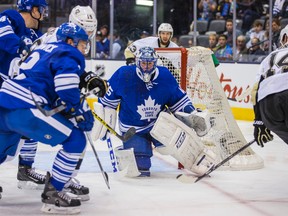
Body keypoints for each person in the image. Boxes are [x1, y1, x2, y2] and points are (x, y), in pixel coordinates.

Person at [0, 22, 106, 213]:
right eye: (82, 43)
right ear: (70, 41)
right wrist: (78, 112)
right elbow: (65, 89)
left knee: (2, 153)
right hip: (26, 107)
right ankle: (53, 194)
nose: (84, 48)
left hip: (4, 102)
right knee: (75, 140)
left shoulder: (41, 50)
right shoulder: (68, 52)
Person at [15, 5, 98, 201]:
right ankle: (63, 179)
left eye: (90, 30)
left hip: (20, 90)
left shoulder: (56, 36)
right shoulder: (65, 42)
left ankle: (26, 168)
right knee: (77, 133)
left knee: (20, 132)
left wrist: (86, 77)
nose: (87, 35)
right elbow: (62, 77)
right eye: (84, 29)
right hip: (37, 93)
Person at [93, 46, 215, 177]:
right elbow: (107, 102)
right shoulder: (124, 75)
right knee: (141, 169)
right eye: (143, 63)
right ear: (137, 61)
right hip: (132, 128)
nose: (146, 67)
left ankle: (201, 161)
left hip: (159, 124)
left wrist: (192, 114)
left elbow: (179, 101)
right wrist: (105, 120)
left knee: (177, 142)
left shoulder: (165, 75)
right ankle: (128, 151)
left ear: (155, 63)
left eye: (150, 63)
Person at [0, 0, 48, 192]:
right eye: (41, 10)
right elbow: (3, 36)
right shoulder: (11, 17)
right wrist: (21, 45)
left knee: (32, 122)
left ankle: (25, 169)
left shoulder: (37, 36)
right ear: (32, 9)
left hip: (13, 91)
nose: (43, 15)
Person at [252, 25, 288, 147]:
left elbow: (256, 90)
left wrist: (259, 122)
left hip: (268, 105)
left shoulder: (270, 56)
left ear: (284, 38)